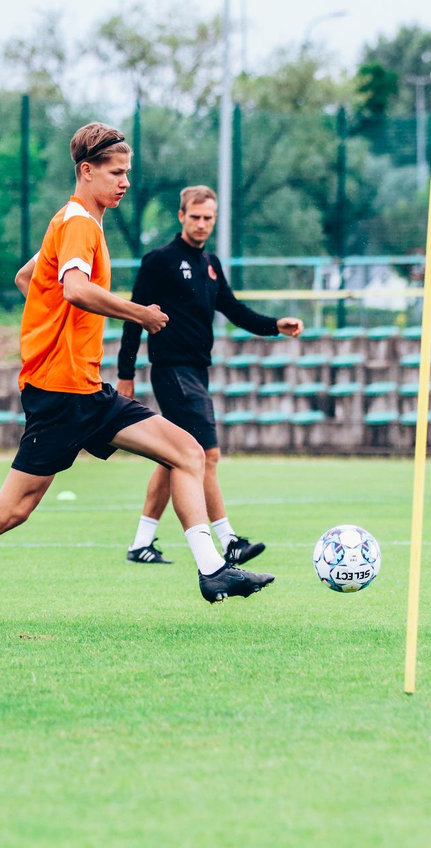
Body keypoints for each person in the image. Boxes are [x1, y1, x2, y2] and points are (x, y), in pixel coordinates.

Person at [0, 124, 274, 631]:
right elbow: (73, 288)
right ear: (87, 171)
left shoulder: (76, 222)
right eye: (116, 173)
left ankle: (212, 571)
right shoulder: (78, 224)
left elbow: (29, 278)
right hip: (57, 393)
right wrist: (138, 313)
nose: (125, 182)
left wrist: (51, 321)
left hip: (87, 391)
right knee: (12, 509)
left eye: (128, 173)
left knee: (187, 451)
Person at [114, 186, 304, 566]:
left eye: (208, 218)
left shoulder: (210, 264)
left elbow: (234, 309)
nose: (202, 224)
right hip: (172, 370)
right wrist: (126, 374)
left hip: (197, 372)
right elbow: (134, 317)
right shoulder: (160, 261)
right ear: (181, 216)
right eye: (195, 217)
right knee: (207, 454)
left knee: (173, 457)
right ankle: (229, 540)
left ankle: (141, 543)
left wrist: (275, 325)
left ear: (215, 219)